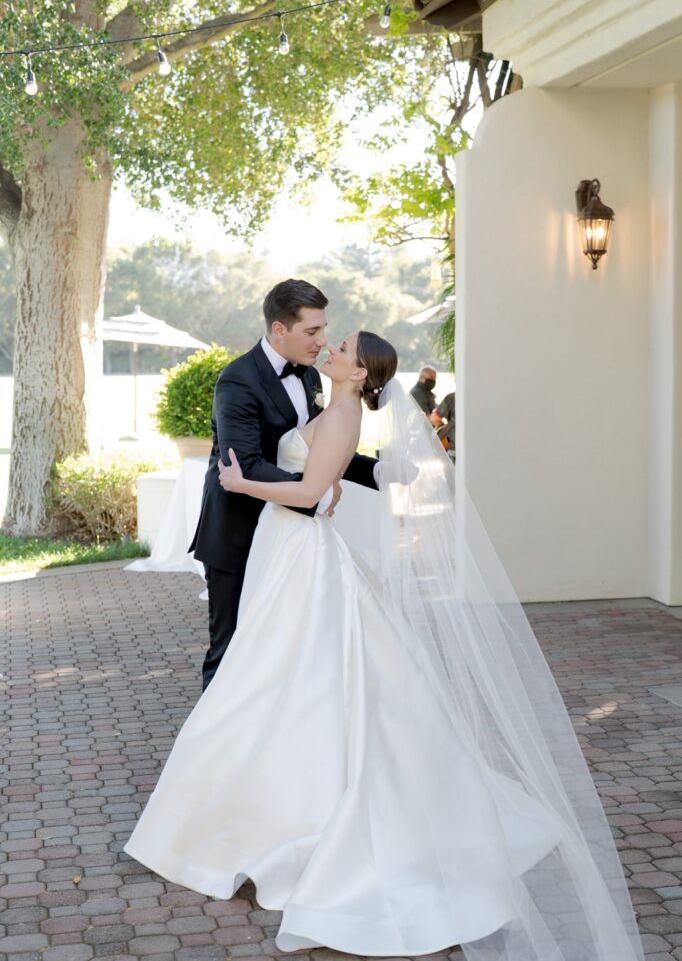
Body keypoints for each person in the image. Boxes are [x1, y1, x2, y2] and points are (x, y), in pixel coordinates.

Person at [125, 331, 644, 961]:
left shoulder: (341, 414)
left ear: (360, 371)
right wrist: (312, 476)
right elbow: (321, 477)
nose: (332, 348)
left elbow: (310, 493)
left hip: (303, 557)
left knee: (279, 678)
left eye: (341, 346)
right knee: (272, 678)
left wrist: (243, 484)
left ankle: (266, 811)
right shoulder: (327, 401)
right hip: (287, 551)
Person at [188, 279, 378, 691]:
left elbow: (319, 446)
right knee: (231, 650)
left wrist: (379, 473)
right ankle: (213, 751)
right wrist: (317, 490)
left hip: (287, 540)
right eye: (312, 331)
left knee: (280, 652)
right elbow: (245, 464)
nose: (322, 341)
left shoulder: (309, 377)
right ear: (279, 329)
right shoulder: (237, 381)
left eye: (324, 330)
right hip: (238, 531)